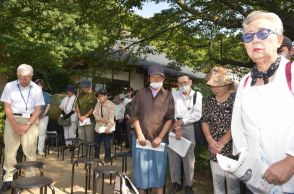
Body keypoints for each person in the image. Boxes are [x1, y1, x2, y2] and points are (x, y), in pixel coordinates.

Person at [231, 10, 294, 193]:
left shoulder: (291, 73)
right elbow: (237, 124)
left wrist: (291, 160)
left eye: (263, 33)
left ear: (279, 39)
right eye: (248, 36)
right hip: (256, 184)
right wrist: (243, 156)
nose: (255, 40)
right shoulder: (244, 81)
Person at [130, 64, 175, 194]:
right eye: (153, 77)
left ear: (163, 78)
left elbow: (170, 118)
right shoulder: (140, 94)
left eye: (159, 77)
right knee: (141, 172)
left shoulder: (168, 96)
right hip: (141, 139)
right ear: (149, 78)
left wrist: (160, 137)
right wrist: (140, 135)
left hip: (160, 141)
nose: (156, 80)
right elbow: (134, 116)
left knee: (159, 172)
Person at [0, 64, 45, 191]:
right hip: (12, 118)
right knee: (9, 150)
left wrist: (27, 125)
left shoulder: (36, 88)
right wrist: (15, 125)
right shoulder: (10, 86)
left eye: (28, 77)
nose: (25, 80)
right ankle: (8, 178)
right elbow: (7, 107)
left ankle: (30, 177)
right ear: (17, 75)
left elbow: (38, 109)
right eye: (23, 77)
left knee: (30, 150)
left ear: (31, 76)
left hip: (30, 120)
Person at [201, 67, 240, 194]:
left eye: (217, 85)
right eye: (212, 85)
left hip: (231, 149)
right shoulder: (210, 100)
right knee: (217, 183)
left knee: (232, 185)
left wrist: (222, 142)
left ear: (226, 85)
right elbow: (204, 121)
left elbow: (239, 122)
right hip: (214, 149)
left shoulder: (236, 99)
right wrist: (210, 141)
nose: (214, 88)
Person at [167, 75, 202, 194]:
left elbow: (197, 114)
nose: (183, 85)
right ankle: (176, 182)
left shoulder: (197, 95)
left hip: (189, 127)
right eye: (180, 83)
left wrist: (181, 122)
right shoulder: (174, 95)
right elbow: (171, 111)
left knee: (189, 158)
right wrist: (177, 126)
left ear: (190, 82)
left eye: (185, 82)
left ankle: (189, 184)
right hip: (174, 126)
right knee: (173, 156)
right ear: (177, 85)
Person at [93, 88, 115, 163]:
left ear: (106, 96)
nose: (99, 98)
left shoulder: (110, 104)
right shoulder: (98, 103)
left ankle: (107, 158)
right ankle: (96, 157)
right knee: (96, 143)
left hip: (107, 128)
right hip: (98, 127)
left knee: (107, 144)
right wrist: (101, 119)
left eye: (101, 96)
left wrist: (108, 128)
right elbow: (95, 114)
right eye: (98, 96)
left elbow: (111, 119)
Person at [35, 79, 52, 156]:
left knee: (42, 133)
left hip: (44, 117)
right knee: (34, 134)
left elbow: (48, 106)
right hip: (33, 117)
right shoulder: (31, 95)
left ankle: (40, 149)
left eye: (40, 85)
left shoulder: (47, 95)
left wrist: (43, 114)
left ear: (42, 86)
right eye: (37, 85)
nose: (39, 86)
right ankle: (33, 149)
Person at [124, 90, 138, 155]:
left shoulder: (141, 106)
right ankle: (131, 151)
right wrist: (130, 119)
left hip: (139, 125)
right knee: (130, 138)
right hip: (130, 124)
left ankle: (136, 152)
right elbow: (126, 114)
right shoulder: (128, 105)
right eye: (134, 97)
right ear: (132, 97)